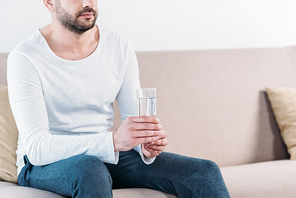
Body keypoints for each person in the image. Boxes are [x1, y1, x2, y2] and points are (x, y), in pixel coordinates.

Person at [7, 0, 230, 197]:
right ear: (49, 3)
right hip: (43, 164)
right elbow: (37, 148)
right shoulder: (25, 57)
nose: (88, 3)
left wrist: (145, 144)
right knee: (90, 169)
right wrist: (113, 141)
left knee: (203, 172)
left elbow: (134, 119)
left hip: (103, 156)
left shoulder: (118, 46)